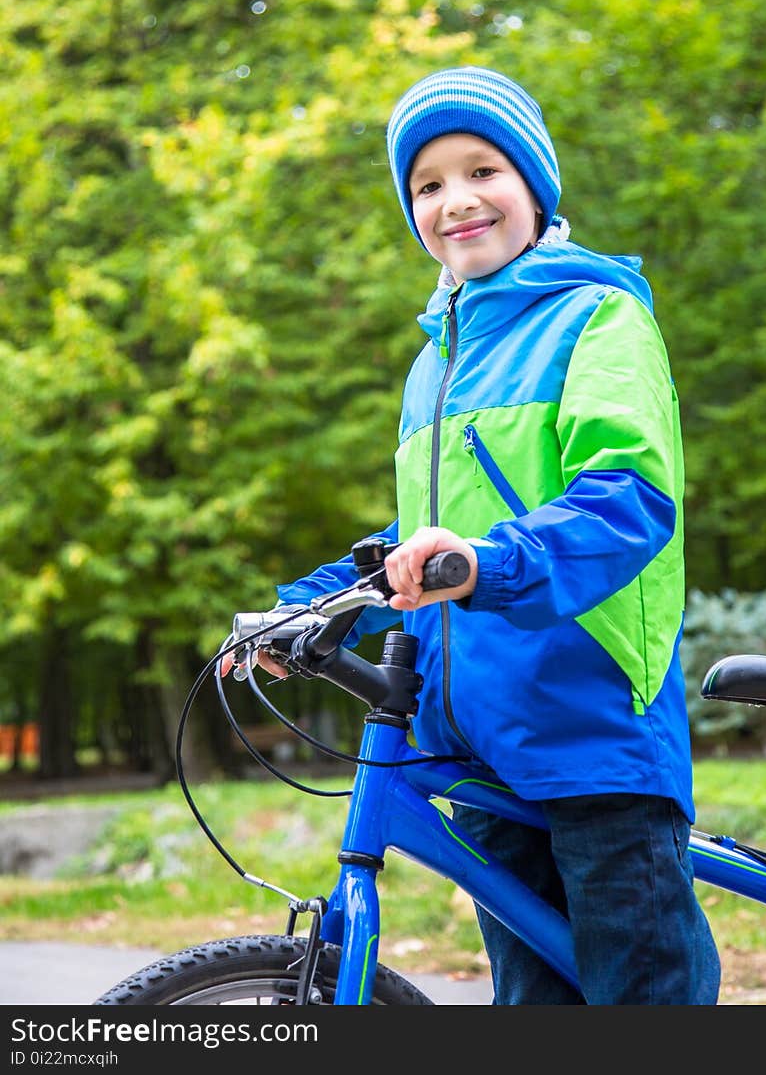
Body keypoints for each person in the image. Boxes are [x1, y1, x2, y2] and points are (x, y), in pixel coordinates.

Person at [239, 65, 721, 1005]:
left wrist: (484, 565)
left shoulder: (598, 317)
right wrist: (299, 608)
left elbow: (627, 502)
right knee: (530, 1004)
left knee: (642, 994)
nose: (455, 200)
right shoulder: (436, 366)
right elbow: (414, 540)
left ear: (535, 187)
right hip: (479, 743)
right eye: (427, 184)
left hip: (589, 730)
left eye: (483, 170)